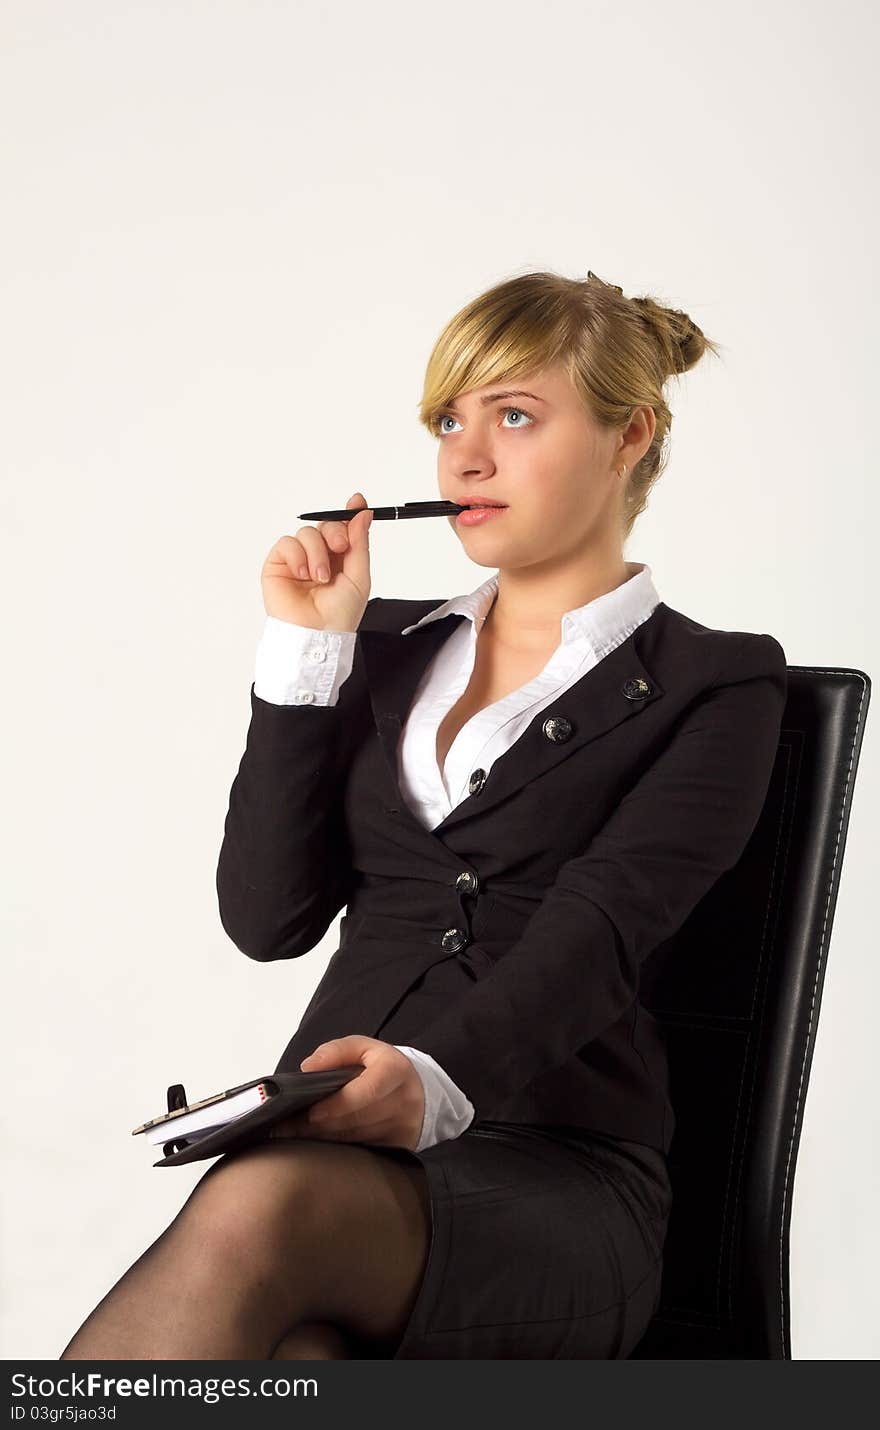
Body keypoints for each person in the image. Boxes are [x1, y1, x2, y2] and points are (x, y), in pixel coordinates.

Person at [59, 268, 787, 1361]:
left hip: (559, 1171)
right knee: (296, 1354)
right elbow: (268, 918)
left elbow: (598, 933)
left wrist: (434, 1083)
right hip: (343, 1164)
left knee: (263, 1214)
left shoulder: (714, 683)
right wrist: (309, 654)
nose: (464, 456)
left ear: (628, 435)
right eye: (449, 418)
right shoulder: (386, 644)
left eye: (514, 415)